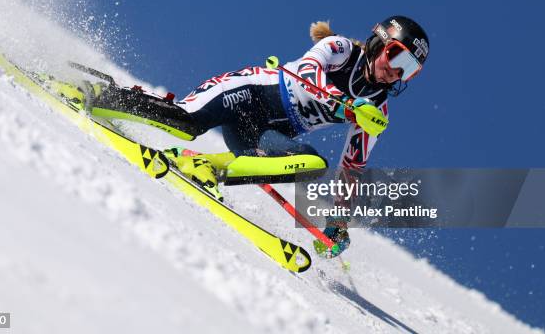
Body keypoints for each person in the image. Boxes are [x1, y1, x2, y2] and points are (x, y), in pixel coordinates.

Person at [88, 15, 430, 258]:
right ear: (378, 42)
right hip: (248, 92)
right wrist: (343, 105)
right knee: (186, 123)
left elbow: (352, 166)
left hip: (262, 133)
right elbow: (310, 68)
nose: (396, 71)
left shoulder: (377, 111)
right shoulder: (342, 49)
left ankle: (206, 165)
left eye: (409, 70)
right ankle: (104, 96)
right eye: (396, 55)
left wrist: (338, 222)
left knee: (310, 163)